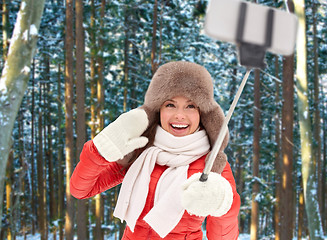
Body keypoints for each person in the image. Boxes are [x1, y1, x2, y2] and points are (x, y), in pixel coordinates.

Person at [70, 61, 241, 240]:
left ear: (203, 114)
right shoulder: (141, 153)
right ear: (158, 110)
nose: (180, 115)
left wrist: (223, 204)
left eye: (190, 106)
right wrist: (101, 149)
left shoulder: (212, 165)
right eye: (170, 105)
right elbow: (80, 190)